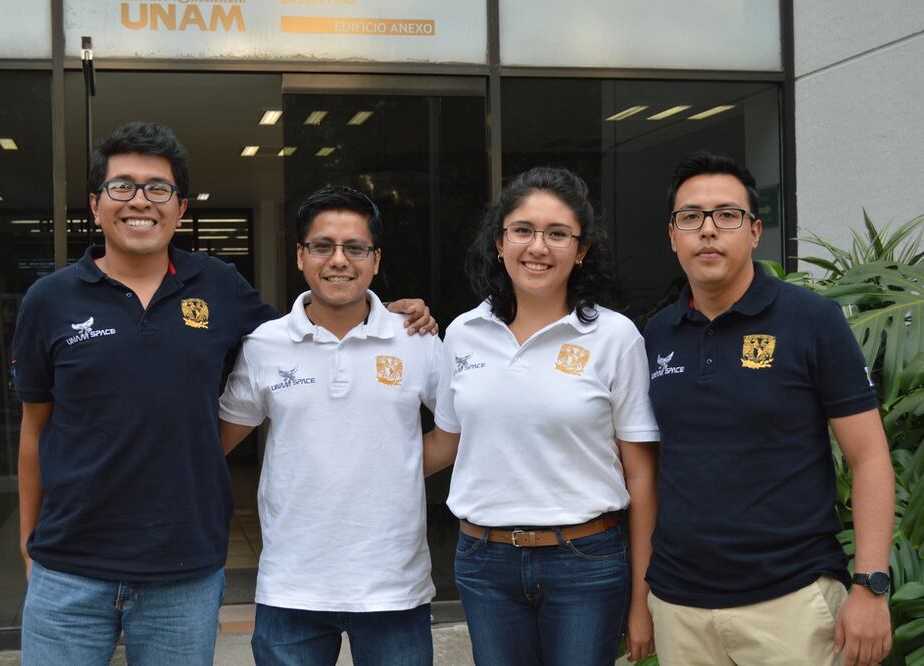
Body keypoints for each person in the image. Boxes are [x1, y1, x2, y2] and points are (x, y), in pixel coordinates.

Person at [11, 122, 435, 665]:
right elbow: (34, 429)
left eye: (158, 188)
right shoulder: (49, 300)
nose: (140, 201)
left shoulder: (218, 286)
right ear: (95, 204)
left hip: (183, 570)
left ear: (180, 206)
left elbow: (304, 335)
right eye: (122, 186)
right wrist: (28, 546)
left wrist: (390, 312)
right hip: (67, 567)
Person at [644, 150, 894, 666]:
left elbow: (869, 457)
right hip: (679, 607)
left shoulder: (812, 320)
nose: (707, 231)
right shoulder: (655, 334)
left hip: (792, 604)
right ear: (673, 237)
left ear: (755, 231)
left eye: (726, 216)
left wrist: (870, 585)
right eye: (690, 217)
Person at [424, 167, 660, 665]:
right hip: (483, 562)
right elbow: (445, 444)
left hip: (585, 562)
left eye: (558, 234)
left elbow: (640, 473)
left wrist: (641, 599)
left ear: (581, 250)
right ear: (499, 241)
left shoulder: (615, 338)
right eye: (524, 230)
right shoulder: (464, 333)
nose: (538, 247)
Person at [219, 186, 441, 666]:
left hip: (392, 587)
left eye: (354, 248)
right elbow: (217, 442)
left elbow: (458, 430)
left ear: (375, 260)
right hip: (292, 586)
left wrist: (391, 467)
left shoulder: (415, 339)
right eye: (322, 246)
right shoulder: (265, 344)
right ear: (301, 257)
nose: (338, 260)